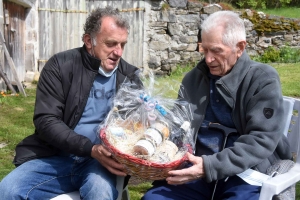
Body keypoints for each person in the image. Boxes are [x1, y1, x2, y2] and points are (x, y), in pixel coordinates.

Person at [142, 10, 292, 200]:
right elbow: (177, 123)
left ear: (240, 47)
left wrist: (209, 167)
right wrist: (152, 130)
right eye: (204, 49)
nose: (208, 59)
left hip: (246, 174)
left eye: (216, 51)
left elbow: (261, 139)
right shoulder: (193, 78)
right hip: (195, 170)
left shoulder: (262, 79)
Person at [0, 6, 142, 200]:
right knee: (7, 190)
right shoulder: (60, 66)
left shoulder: (130, 77)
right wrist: (90, 149)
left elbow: (136, 128)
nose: (118, 52)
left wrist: (146, 120)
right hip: (54, 156)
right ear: (88, 41)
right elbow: (46, 120)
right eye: (111, 44)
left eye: (122, 44)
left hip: (100, 164)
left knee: (99, 192)